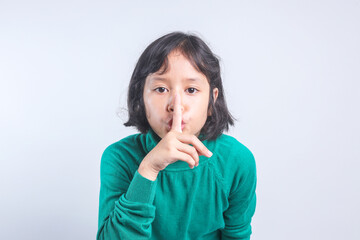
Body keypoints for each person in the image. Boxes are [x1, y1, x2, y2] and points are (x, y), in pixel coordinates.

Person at [96, 31, 257, 240]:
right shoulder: (119, 158)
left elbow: (237, 235)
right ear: (141, 99)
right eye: (161, 89)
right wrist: (149, 168)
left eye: (191, 89)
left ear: (212, 101)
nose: (176, 104)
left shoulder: (236, 161)